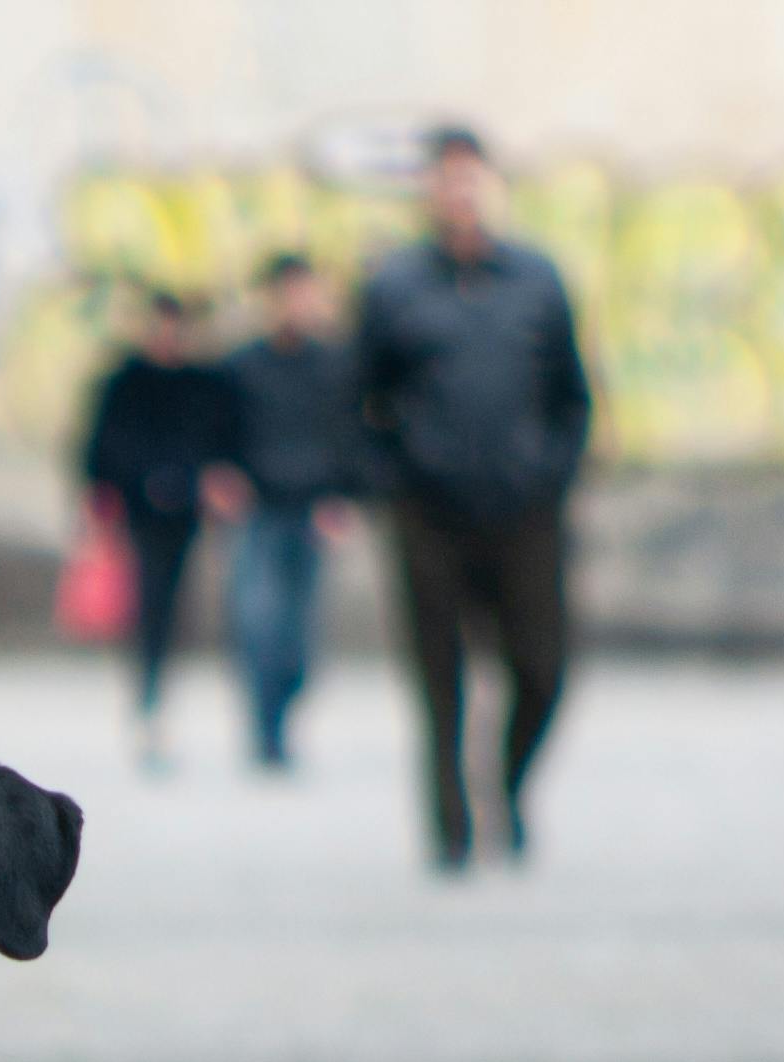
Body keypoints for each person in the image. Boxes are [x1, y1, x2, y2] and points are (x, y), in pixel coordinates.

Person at [351, 125, 591, 868]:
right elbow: (359, 401)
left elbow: (572, 396)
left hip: (524, 511)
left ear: (492, 188)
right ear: (426, 192)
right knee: (440, 681)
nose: (458, 194)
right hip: (429, 514)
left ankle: (508, 787)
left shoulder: (538, 282)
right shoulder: (394, 287)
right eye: (444, 180)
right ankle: (451, 829)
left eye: (470, 179)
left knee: (542, 667)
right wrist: (389, 482)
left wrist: (551, 469)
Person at [214, 252, 367, 772]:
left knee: (300, 635)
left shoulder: (337, 366)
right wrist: (222, 476)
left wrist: (346, 497)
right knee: (258, 621)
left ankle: (283, 709)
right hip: (258, 510)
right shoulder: (241, 366)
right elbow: (218, 435)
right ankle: (265, 726)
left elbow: (352, 438)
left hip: (313, 510)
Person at [78, 290, 241, 771]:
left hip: (188, 513)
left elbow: (222, 442)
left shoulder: (204, 383)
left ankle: (157, 687)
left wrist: (213, 479)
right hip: (138, 511)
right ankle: (149, 690)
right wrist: (102, 497)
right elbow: (99, 447)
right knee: (150, 601)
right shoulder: (124, 381)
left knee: (176, 601)